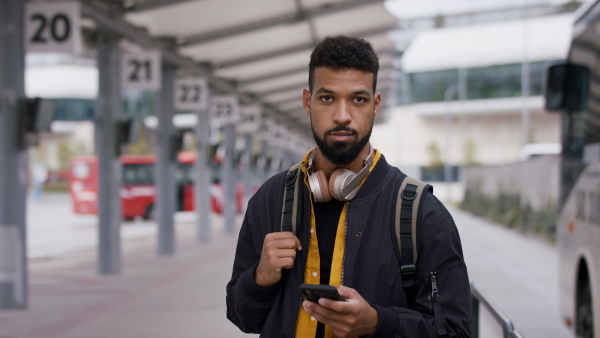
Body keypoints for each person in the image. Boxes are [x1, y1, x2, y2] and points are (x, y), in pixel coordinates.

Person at [226, 35, 471, 337]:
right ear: (307, 102)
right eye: (327, 98)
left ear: (376, 104)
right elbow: (241, 317)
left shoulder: (421, 214)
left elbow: (457, 332)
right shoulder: (270, 199)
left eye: (358, 99)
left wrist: (378, 323)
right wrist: (260, 278)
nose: (342, 116)